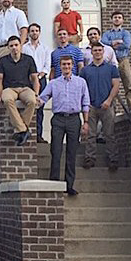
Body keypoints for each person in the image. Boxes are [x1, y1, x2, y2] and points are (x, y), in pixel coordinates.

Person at [38, 55, 90, 196]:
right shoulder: (54, 83)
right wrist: (31, 101)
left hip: (74, 119)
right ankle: (54, 182)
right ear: (60, 66)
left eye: (68, 64)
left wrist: (86, 122)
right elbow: (42, 98)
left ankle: (69, 185)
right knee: (56, 150)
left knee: (72, 152)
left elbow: (86, 103)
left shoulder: (81, 82)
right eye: (63, 65)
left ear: (72, 66)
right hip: (58, 119)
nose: (66, 67)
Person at [80, 43, 121, 171]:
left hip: (107, 105)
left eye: (99, 50)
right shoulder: (85, 70)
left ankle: (113, 159)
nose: (97, 52)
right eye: (95, 50)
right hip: (91, 105)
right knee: (91, 134)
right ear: (91, 53)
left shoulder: (111, 68)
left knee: (109, 133)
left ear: (103, 52)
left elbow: (116, 86)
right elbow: (82, 88)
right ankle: (90, 158)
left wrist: (109, 100)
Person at [0, 35, 40, 144]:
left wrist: (36, 93)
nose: (14, 48)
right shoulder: (2, 61)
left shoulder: (28, 60)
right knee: (7, 100)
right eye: (11, 46)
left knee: (32, 101)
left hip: (25, 88)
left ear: (20, 46)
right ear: (8, 48)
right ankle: (24, 129)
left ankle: (20, 129)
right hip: (9, 88)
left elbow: (34, 78)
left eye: (16, 45)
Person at [101, 11, 131, 109]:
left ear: (122, 20)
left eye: (119, 17)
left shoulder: (125, 33)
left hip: (123, 60)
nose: (117, 19)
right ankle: (113, 107)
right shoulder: (107, 33)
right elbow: (103, 44)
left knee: (128, 82)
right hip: (111, 62)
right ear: (111, 19)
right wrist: (117, 42)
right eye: (115, 17)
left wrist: (111, 45)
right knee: (111, 85)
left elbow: (127, 45)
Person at [0, 0, 28, 66]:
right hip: (0, 49)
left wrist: (20, 46)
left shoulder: (18, 13)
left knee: (14, 73)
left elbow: (24, 31)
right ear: (0, 0)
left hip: (14, 48)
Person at [27, 22, 51, 142]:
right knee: (28, 106)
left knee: (40, 107)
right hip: (28, 81)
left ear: (39, 32)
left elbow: (47, 65)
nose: (34, 33)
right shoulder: (24, 48)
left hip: (41, 80)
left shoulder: (45, 48)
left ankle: (39, 135)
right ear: (29, 33)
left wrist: (40, 75)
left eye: (36, 31)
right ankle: (28, 133)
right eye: (32, 31)